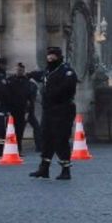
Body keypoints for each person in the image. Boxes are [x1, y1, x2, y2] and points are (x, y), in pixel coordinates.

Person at [27, 46, 78, 180]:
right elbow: (39, 76)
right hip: (49, 110)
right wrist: (26, 75)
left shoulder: (66, 72)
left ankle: (65, 169)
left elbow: (67, 88)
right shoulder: (48, 71)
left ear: (59, 56)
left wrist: (50, 94)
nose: (50, 57)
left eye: (53, 55)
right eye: (49, 55)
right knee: (46, 138)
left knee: (61, 139)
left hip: (62, 109)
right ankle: (44, 168)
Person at [6, 63, 32, 153]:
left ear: (23, 71)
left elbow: (29, 98)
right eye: (18, 70)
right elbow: (7, 96)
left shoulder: (27, 81)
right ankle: (9, 148)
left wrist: (28, 111)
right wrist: (8, 110)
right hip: (12, 109)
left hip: (22, 110)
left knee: (20, 130)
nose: (19, 72)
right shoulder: (10, 80)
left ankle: (19, 149)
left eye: (21, 70)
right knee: (10, 130)